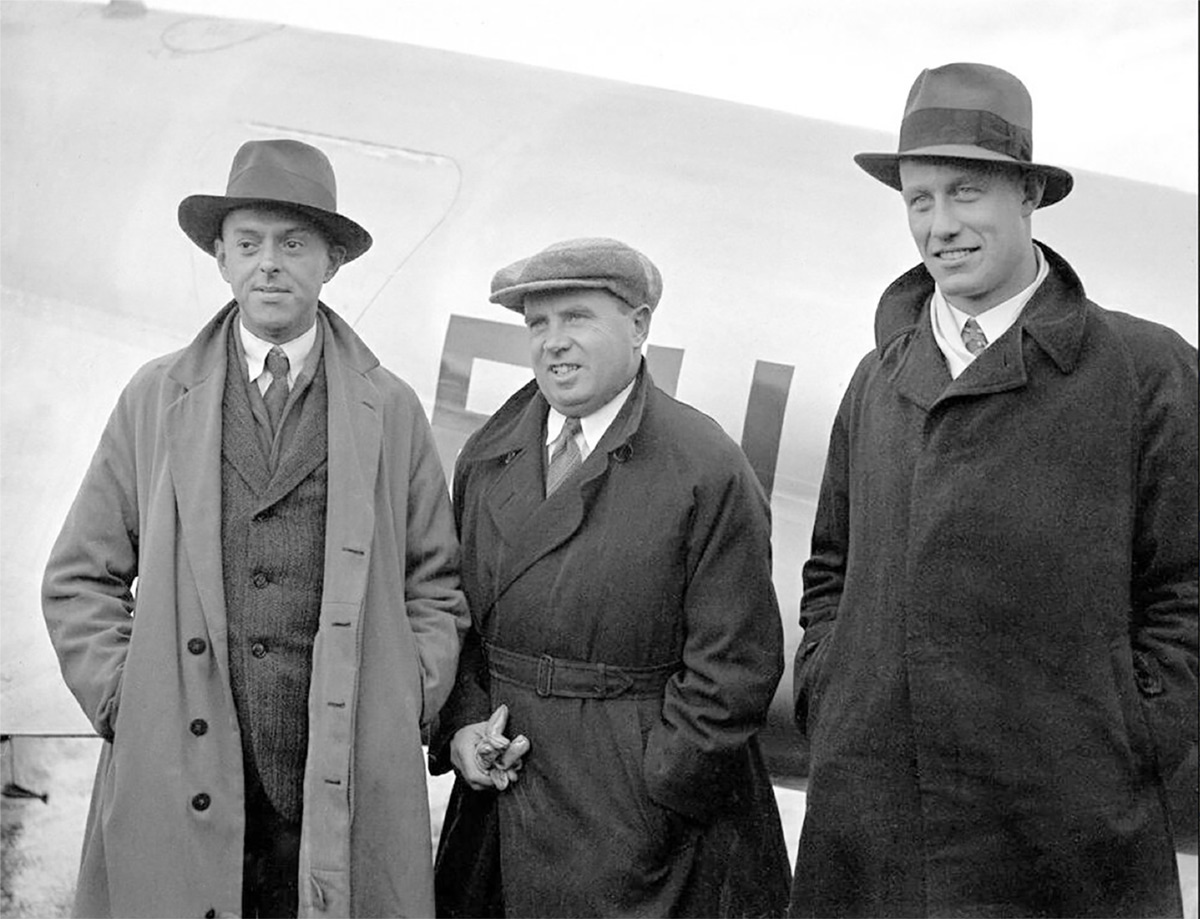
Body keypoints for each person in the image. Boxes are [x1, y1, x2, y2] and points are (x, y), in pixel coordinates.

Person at [789, 62, 1198, 917]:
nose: (940, 225)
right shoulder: (875, 380)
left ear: (1029, 194)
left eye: (966, 193)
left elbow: (1187, 589)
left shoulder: (1146, 371)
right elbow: (830, 571)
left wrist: (1130, 735)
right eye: (919, 200)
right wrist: (834, 691)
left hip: (1066, 843)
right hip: (874, 832)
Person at [42, 138, 469, 918]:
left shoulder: (391, 409)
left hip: (337, 776)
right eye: (248, 243)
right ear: (221, 258)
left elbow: (435, 587)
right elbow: (79, 577)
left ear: (332, 261)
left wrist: (404, 695)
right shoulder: (155, 397)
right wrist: (127, 699)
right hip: (181, 773)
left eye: (293, 243)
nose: (269, 264)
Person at [430, 237, 791, 917]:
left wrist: (662, 788)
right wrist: (465, 727)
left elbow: (735, 666)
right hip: (501, 808)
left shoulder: (704, 464)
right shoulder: (488, 455)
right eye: (538, 323)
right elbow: (458, 617)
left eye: (577, 318)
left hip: (641, 825)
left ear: (639, 325)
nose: (554, 342)